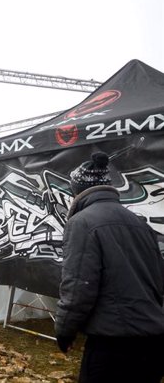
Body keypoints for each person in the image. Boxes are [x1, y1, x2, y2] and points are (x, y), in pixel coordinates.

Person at [55, 152, 164, 382]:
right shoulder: (139, 223)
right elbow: (158, 281)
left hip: (113, 346)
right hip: (153, 342)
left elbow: (78, 288)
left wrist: (65, 331)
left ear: (78, 191)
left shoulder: (82, 222)